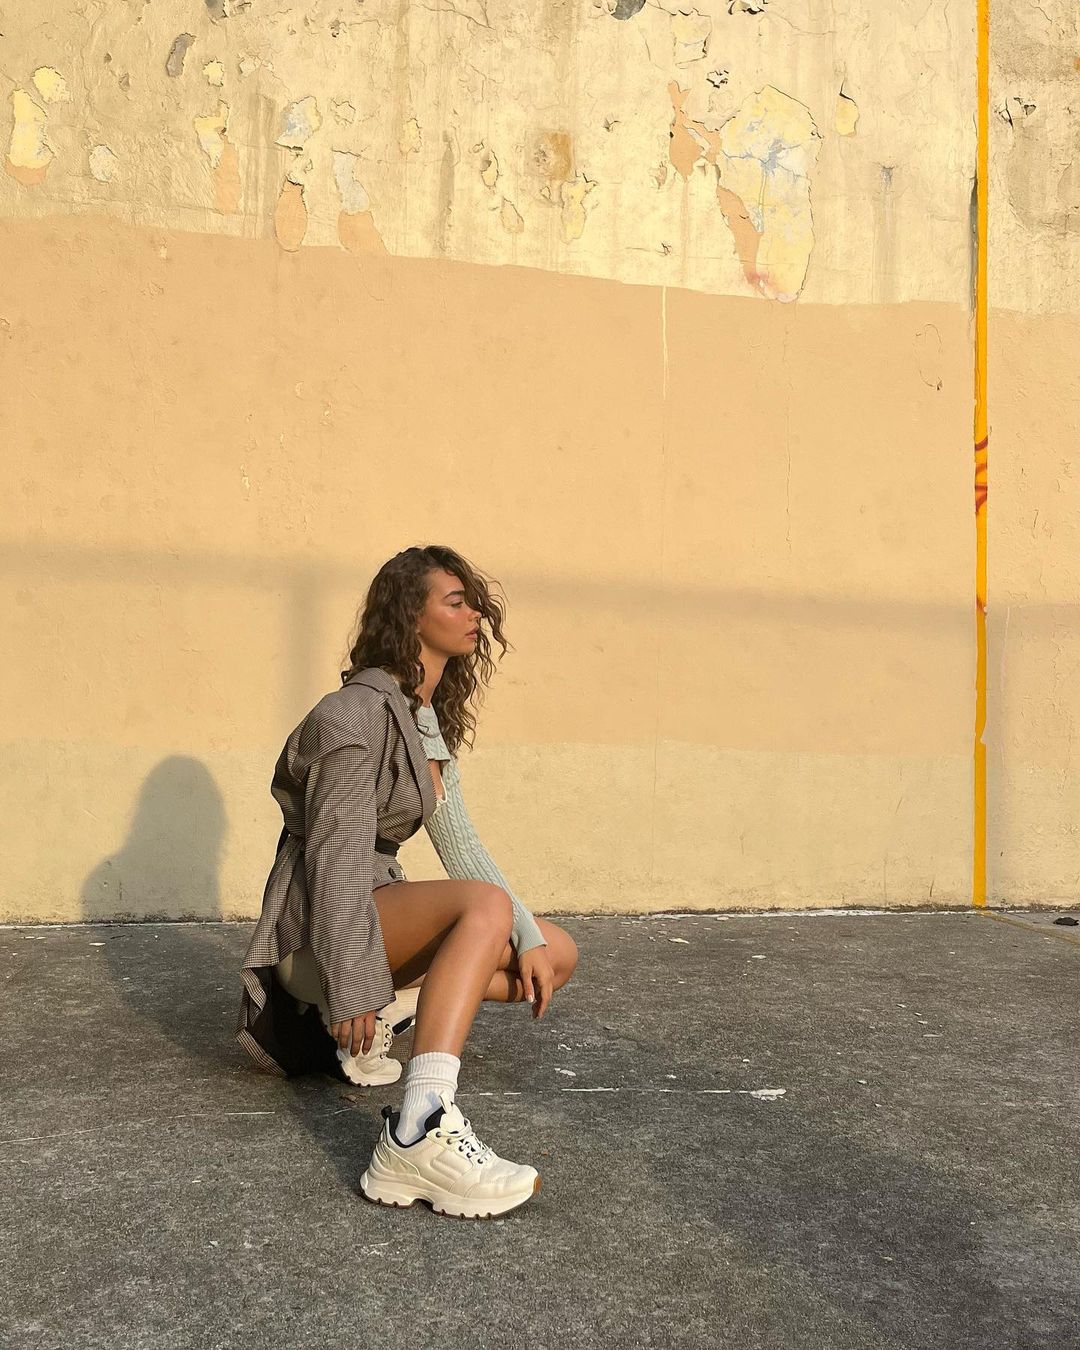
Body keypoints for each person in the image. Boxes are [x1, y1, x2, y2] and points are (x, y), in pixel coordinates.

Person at [236, 544, 579, 1219]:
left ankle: (400, 1008)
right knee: (484, 909)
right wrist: (351, 982)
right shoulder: (352, 717)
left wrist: (531, 938)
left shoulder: (421, 721)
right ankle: (418, 1128)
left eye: (474, 601)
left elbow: (464, 848)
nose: (475, 613)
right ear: (410, 616)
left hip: (374, 911)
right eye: (456, 601)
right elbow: (334, 861)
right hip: (317, 935)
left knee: (555, 953)